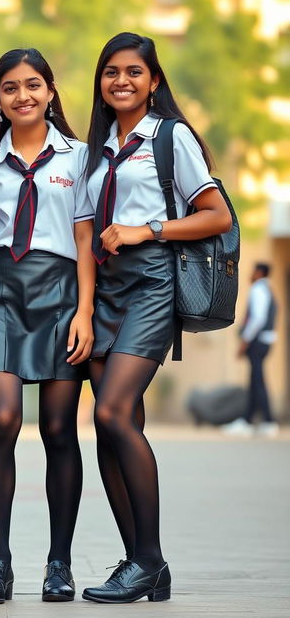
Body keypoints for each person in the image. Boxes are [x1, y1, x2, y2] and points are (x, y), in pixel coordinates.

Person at [80, 32, 233, 604]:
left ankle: (149, 559)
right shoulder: (95, 148)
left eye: (134, 72)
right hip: (107, 285)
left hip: (151, 280)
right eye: (111, 72)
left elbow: (215, 215)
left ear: (154, 81)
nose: (122, 81)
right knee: (112, 425)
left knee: (114, 411)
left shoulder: (171, 138)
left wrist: (150, 230)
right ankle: (142, 563)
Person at [0, 48, 95, 604]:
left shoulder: (80, 158)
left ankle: (59, 563)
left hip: (62, 297)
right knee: (0, 419)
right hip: (1, 295)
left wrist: (85, 312)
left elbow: (87, 241)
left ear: (51, 91)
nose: (23, 96)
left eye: (33, 85)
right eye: (10, 88)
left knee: (59, 430)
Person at [223, 262, 278, 437]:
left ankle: (266, 421)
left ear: (260, 272)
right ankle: (249, 420)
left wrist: (244, 342)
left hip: (257, 341)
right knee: (255, 381)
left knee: (257, 381)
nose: (251, 274)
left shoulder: (258, 290)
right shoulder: (269, 290)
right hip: (265, 340)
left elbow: (258, 319)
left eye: (253, 271)